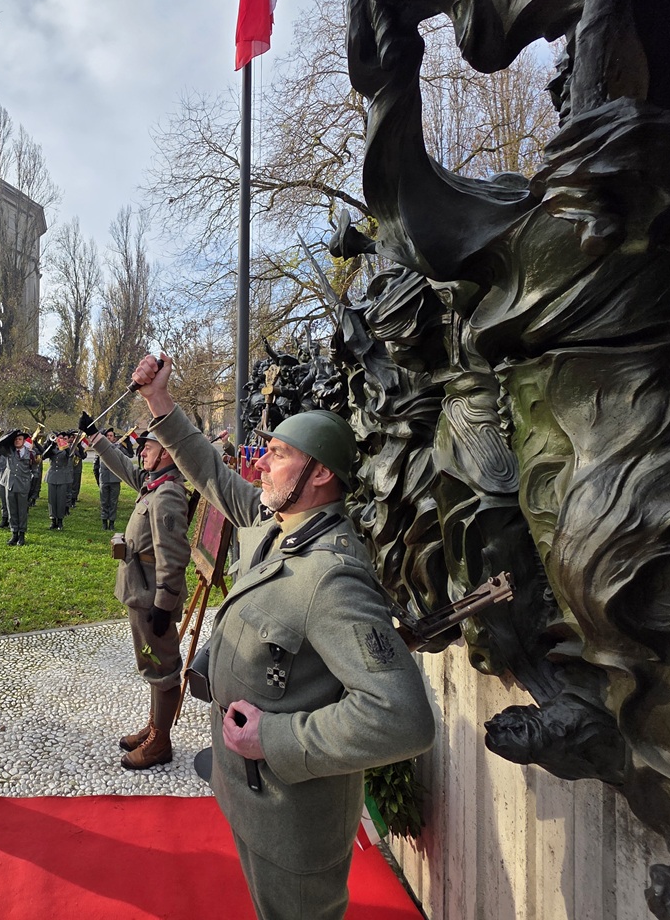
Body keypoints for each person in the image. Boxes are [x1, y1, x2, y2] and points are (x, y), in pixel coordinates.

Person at [126, 353, 436, 920]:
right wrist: (159, 401)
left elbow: (402, 717)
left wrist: (274, 738)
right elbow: (212, 474)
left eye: (278, 454)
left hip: (294, 822)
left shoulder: (333, 577)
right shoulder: (276, 524)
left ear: (319, 474)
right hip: (251, 798)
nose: (261, 464)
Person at [81, 418, 192, 769]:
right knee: (152, 661)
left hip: (151, 598)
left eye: (149, 446)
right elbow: (124, 467)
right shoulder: (153, 483)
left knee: (163, 666)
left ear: (166, 453)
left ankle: (160, 743)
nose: (142, 451)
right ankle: (154, 727)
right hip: (140, 591)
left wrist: (164, 605)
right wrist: (96, 438)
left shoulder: (169, 493)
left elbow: (173, 557)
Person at [0, 430, 39, 546]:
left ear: (24, 441)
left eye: (19, 439)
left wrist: (33, 488)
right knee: (12, 510)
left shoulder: (31, 453)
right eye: (15, 439)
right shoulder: (10, 451)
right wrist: (9, 436)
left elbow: (35, 470)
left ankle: (22, 534)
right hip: (10, 484)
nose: (17, 441)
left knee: (22, 511)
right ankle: (14, 533)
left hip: (23, 485)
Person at [93, 428, 129, 531]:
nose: (109, 437)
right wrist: (98, 480)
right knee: (104, 502)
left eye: (111, 436)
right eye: (107, 436)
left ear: (114, 438)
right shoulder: (100, 449)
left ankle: (112, 522)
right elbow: (95, 466)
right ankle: (104, 522)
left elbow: (129, 455)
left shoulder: (118, 448)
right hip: (104, 479)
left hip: (115, 479)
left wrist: (127, 443)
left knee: (113, 502)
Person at [42, 432, 75, 530]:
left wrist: (65, 445)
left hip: (62, 476)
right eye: (58, 438)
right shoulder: (52, 449)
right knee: (52, 499)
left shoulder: (66, 449)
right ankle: (53, 520)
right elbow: (44, 456)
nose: (59, 440)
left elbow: (70, 455)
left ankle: (60, 520)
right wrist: (52, 444)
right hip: (52, 476)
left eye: (62, 438)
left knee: (61, 499)